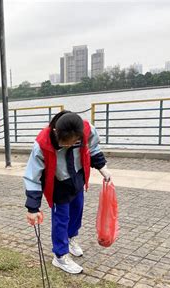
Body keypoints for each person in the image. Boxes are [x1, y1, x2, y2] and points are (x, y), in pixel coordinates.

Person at [24, 110, 111, 274]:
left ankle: (71, 239)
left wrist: (103, 168)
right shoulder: (42, 143)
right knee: (61, 220)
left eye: (74, 142)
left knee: (77, 212)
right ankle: (60, 255)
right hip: (58, 184)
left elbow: (93, 148)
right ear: (57, 133)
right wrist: (33, 208)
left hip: (77, 177)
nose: (70, 146)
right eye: (66, 143)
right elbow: (32, 175)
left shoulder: (86, 130)